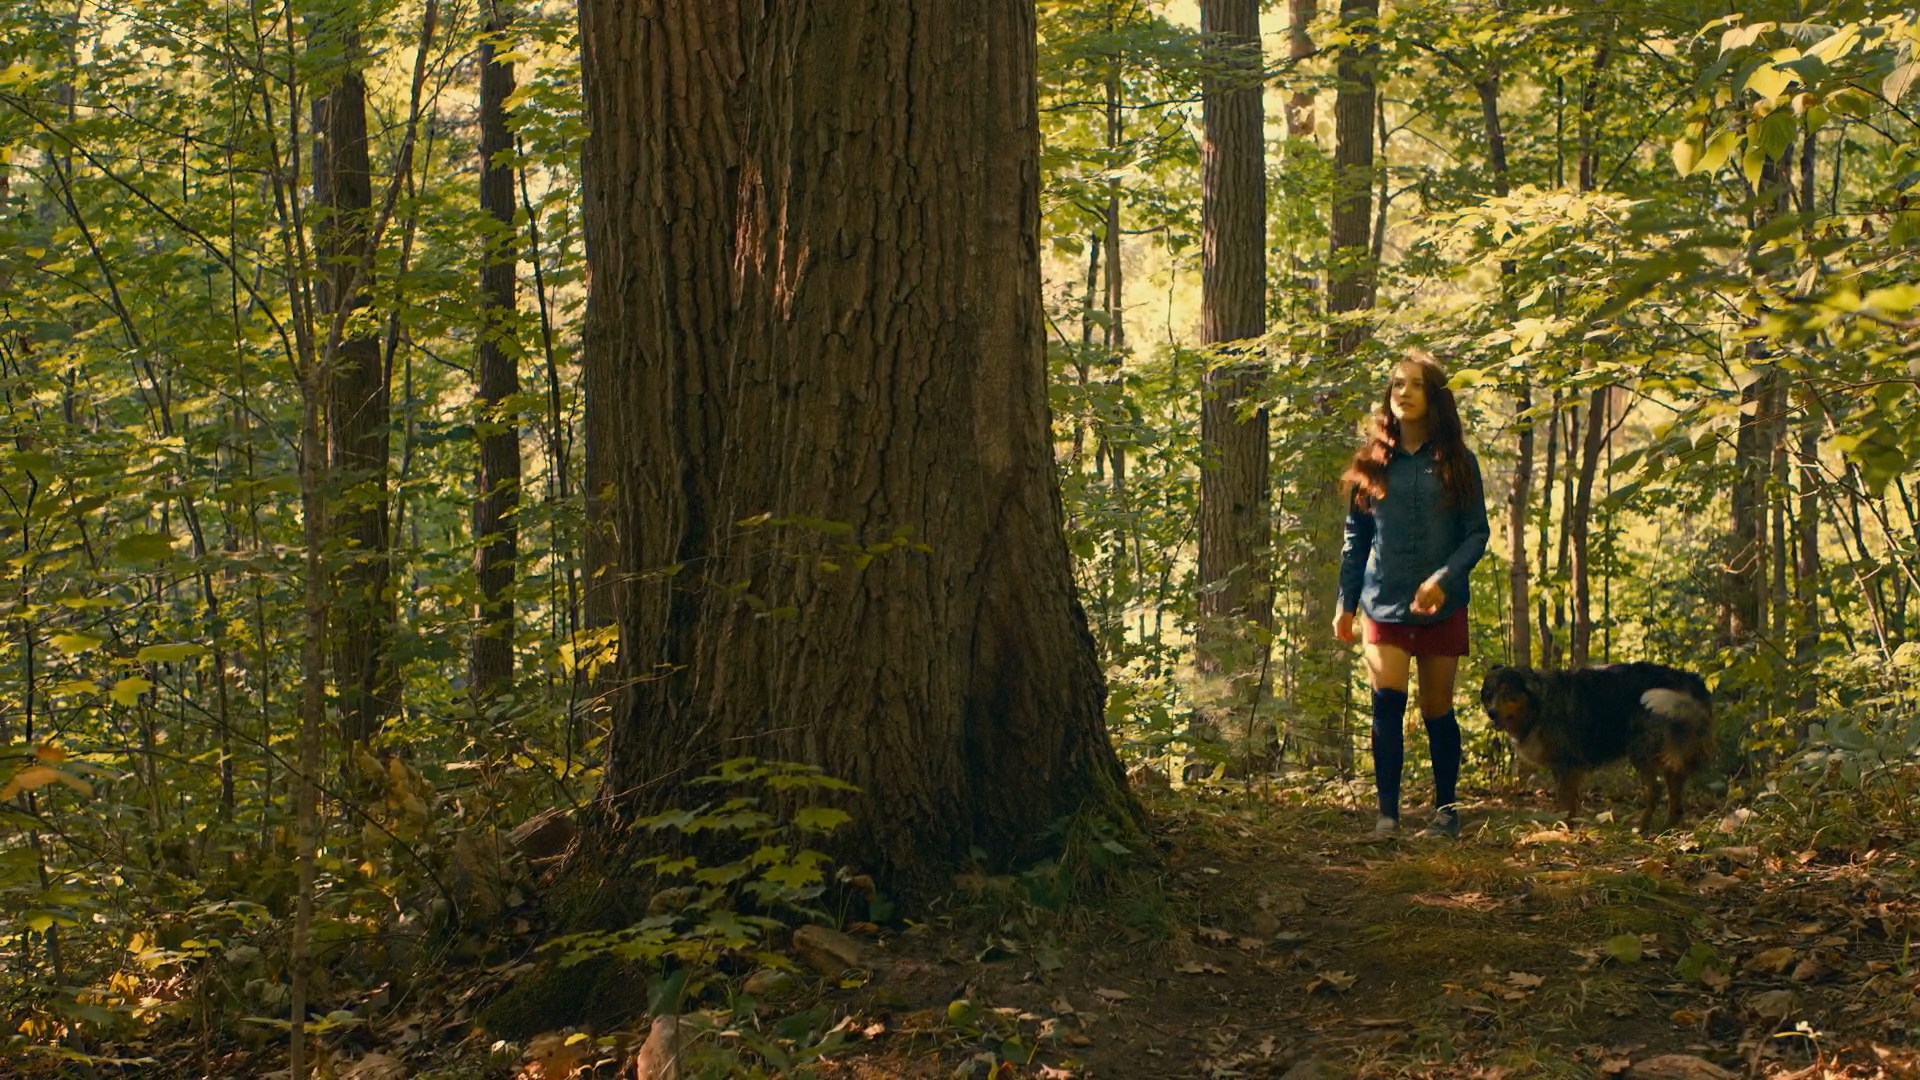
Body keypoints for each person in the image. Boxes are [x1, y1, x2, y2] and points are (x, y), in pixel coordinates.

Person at [1332, 351, 1490, 839]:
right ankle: (1388, 816)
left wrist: (1443, 579)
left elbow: (1476, 533)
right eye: (1398, 383)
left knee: (1437, 708)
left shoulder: (1459, 462)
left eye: (1416, 384)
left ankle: (1447, 812)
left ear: (1434, 396)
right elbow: (1356, 539)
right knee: (1387, 703)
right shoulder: (1371, 462)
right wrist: (1345, 603)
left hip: (1444, 604)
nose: (1404, 392)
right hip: (1382, 601)